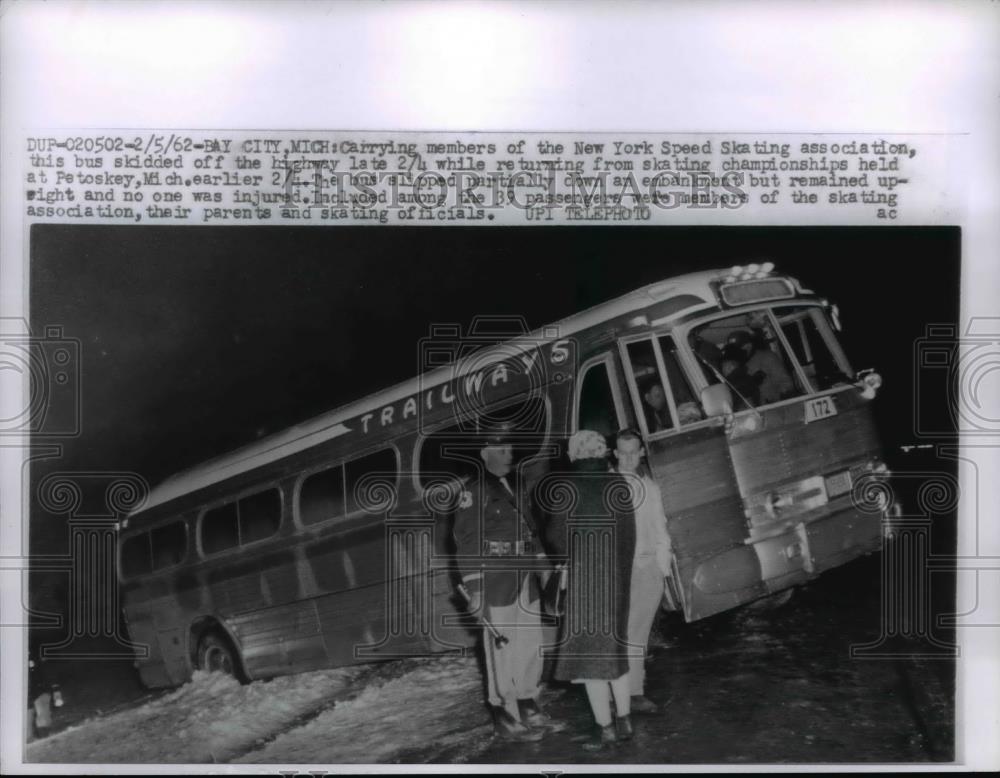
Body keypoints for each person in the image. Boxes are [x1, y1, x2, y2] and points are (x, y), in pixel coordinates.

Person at [453, 426, 550, 742]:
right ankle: (503, 712)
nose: (508, 454)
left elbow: (530, 528)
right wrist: (476, 590)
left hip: (524, 577)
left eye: (510, 448)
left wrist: (542, 561)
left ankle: (527, 702)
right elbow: (467, 543)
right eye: (500, 449)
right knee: (502, 650)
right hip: (495, 580)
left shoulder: (517, 483)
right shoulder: (474, 491)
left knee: (532, 644)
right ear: (484, 454)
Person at [548, 429, 637, 749]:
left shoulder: (565, 487)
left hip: (585, 584)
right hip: (616, 581)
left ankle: (606, 729)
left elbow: (557, 540)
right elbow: (629, 538)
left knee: (589, 660)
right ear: (601, 453)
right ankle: (625, 721)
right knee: (615, 652)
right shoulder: (618, 484)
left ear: (574, 455)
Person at [612, 428, 673, 715]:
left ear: (641, 453)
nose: (627, 458)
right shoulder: (608, 486)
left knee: (638, 635)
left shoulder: (651, 487)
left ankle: (632, 691)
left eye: (632, 452)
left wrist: (660, 569)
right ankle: (622, 692)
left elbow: (661, 529)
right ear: (614, 454)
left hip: (649, 570)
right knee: (622, 634)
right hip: (620, 571)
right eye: (622, 453)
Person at [727, 329, 794, 405]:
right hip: (752, 412)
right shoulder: (734, 365)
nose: (734, 352)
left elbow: (786, 384)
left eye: (736, 348)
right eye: (732, 349)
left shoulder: (767, 357)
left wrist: (777, 401)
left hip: (774, 408)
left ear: (748, 346)